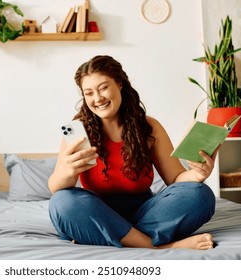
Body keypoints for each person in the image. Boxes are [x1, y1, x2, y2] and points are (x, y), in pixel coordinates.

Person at [48, 55, 217, 250]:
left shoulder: (149, 127)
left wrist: (198, 174)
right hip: (97, 211)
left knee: (200, 194)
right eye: (89, 93)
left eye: (103, 88)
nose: (97, 98)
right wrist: (67, 171)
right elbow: (56, 187)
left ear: (119, 84)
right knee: (61, 202)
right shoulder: (78, 131)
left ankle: (110, 236)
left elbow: (176, 178)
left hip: (145, 214)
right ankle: (160, 246)